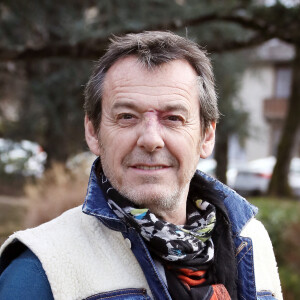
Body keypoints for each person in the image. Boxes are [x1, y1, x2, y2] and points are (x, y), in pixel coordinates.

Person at [0, 31, 282, 300]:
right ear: (93, 132)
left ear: (207, 136)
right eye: (126, 116)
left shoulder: (252, 241)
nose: (150, 139)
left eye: (173, 118)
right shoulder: (41, 269)